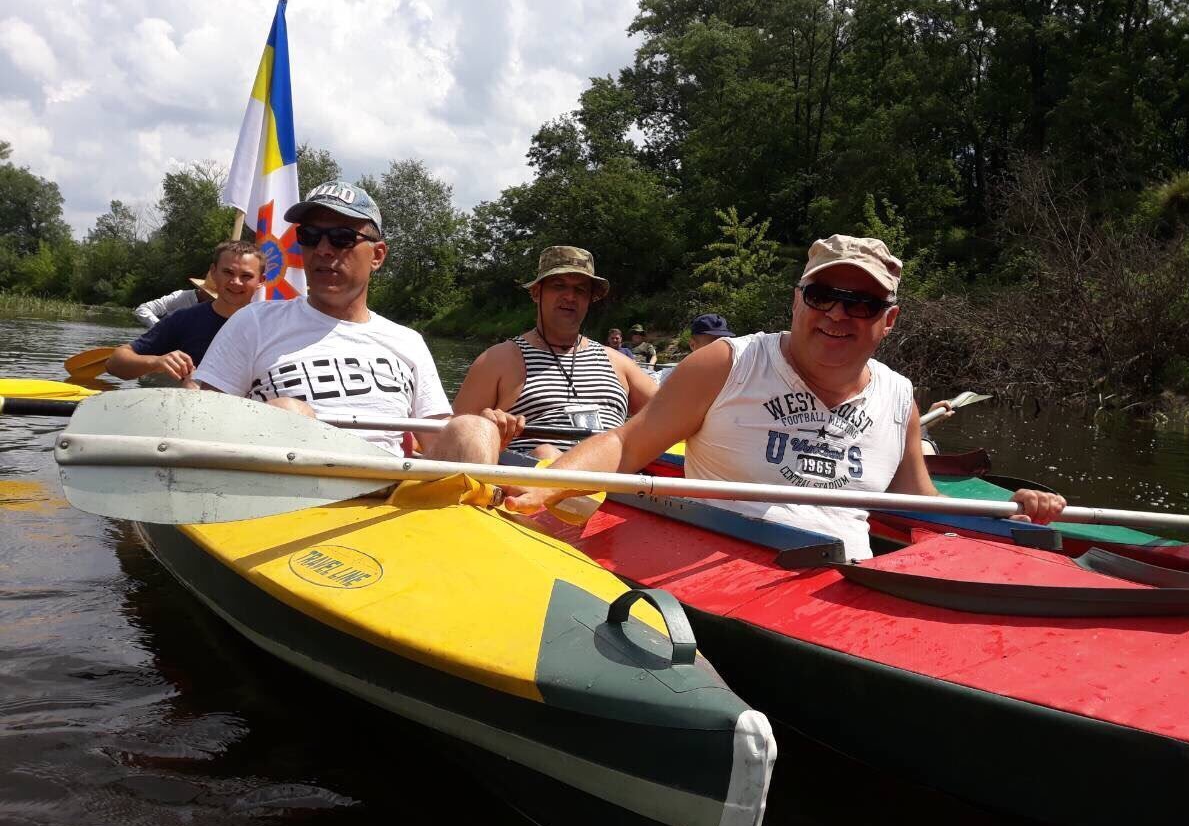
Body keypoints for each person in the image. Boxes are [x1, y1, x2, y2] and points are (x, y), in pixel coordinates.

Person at [506, 235, 1065, 561]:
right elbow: (627, 444)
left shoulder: (899, 397)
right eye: (823, 295)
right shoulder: (728, 363)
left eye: (862, 304)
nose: (838, 314)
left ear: (889, 320)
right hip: (721, 569)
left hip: (841, 585)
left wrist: (1011, 511)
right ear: (797, 300)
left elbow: (921, 502)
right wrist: (545, 486)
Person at [192, 180, 520, 461]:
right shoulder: (254, 322)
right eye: (310, 236)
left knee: (474, 429)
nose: (323, 249)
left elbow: (438, 439)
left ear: (377, 256)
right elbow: (203, 423)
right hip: (288, 496)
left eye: (341, 238)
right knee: (289, 414)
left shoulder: (407, 341)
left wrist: (489, 434)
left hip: (393, 494)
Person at [452, 246, 657, 459]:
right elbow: (453, 437)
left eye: (580, 290)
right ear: (536, 293)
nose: (570, 296)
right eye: (559, 286)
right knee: (546, 453)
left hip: (615, 473)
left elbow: (670, 415)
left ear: (590, 299)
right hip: (533, 473)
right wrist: (483, 427)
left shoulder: (618, 363)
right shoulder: (497, 360)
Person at [106, 242, 264, 381]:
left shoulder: (270, 327)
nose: (236, 282)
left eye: (246, 276)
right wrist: (156, 362)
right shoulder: (184, 319)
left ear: (260, 281)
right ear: (213, 272)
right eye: (228, 272)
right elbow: (114, 363)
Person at [133, 278, 215, 327]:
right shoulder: (180, 297)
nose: (214, 299)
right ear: (202, 290)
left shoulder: (217, 307)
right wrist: (161, 328)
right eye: (210, 295)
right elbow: (142, 309)